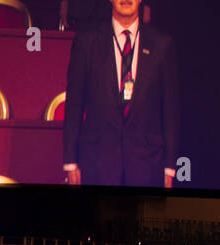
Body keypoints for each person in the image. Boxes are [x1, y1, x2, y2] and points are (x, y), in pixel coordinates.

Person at [63, 0, 178, 189]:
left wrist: (169, 167)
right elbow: (74, 104)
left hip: (148, 163)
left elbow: (171, 110)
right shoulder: (87, 41)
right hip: (97, 161)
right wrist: (70, 161)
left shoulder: (162, 44)